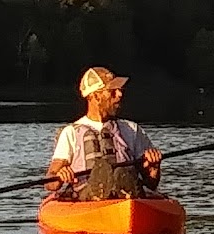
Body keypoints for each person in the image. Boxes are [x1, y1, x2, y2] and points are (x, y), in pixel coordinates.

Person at [46, 67, 164, 200]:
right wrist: (61, 175)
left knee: (124, 175)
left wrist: (154, 168)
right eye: (112, 91)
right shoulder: (71, 133)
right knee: (98, 183)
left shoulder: (132, 129)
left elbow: (151, 184)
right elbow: (51, 183)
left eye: (119, 90)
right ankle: (102, 192)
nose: (119, 94)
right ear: (95, 96)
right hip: (87, 199)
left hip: (128, 197)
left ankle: (124, 189)